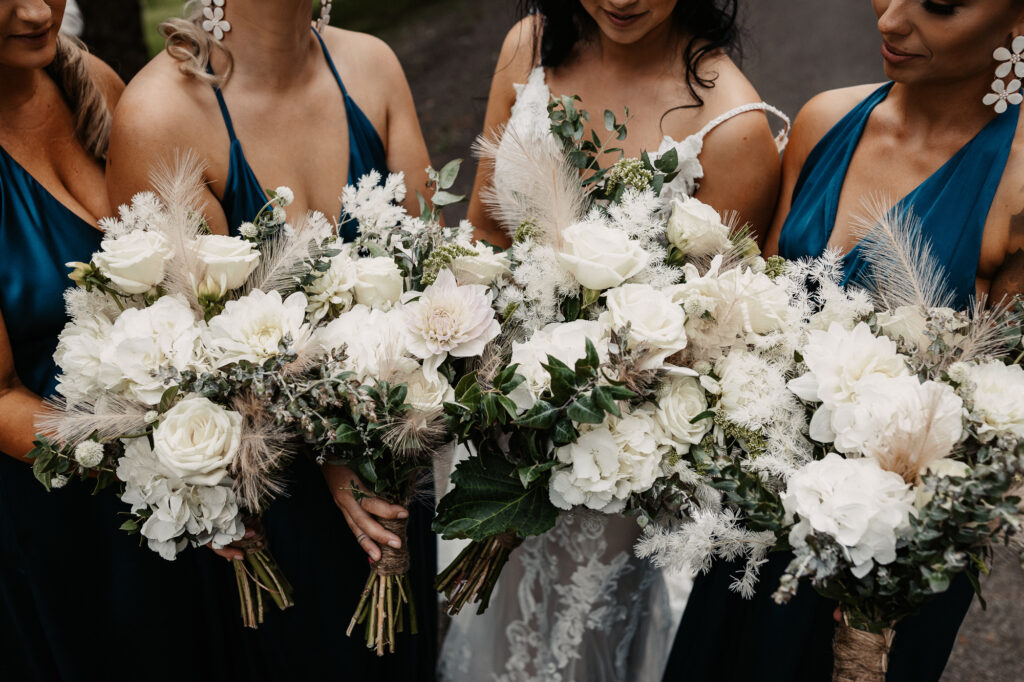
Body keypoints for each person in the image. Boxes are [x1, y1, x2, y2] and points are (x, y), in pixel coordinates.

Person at [665, 1, 1024, 680]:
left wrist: (879, 594)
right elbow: (762, 317)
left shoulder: (1018, 183)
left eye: (939, 5)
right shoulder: (825, 119)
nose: (890, 19)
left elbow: (1001, 425)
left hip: (885, 557)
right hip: (757, 519)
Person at [440, 2, 787, 680]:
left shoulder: (732, 127)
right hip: (498, 419)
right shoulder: (528, 47)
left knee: (580, 647)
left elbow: (712, 341)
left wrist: (580, 402)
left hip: (613, 457)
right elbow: (485, 229)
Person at [106, 2, 437, 678]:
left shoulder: (372, 67)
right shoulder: (161, 117)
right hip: (270, 514)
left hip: (397, 470)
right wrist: (332, 451)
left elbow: (431, 279)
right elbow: (184, 357)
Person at [0, 2, 245, 680]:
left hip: (194, 490)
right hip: (63, 523)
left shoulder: (94, 82)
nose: (37, 10)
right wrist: (154, 462)